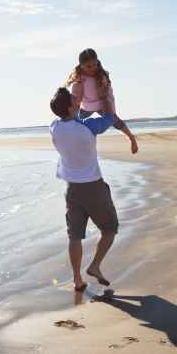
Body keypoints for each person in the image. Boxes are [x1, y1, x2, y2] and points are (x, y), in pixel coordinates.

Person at [49, 87, 119, 292]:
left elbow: (67, 115)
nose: (76, 98)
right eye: (73, 98)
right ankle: (95, 265)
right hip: (93, 187)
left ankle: (77, 279)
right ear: (70, 107)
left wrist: (73, 101)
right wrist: (106, 96)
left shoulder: (54, 127)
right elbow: (110, 116)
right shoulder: (89, 127)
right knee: (110, 229)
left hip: (72, 190)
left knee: (75, 236)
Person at [65, 48, 139, 154]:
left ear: (97, 62)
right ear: (81, 66)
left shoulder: (101, 76)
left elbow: (107, 96)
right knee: (76, 123)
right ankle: (74, 142)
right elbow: (76, 101)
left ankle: (131, 138)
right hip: (86, 106)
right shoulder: (79, 80)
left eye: (94, 65)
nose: (92, 68)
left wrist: (110, 110)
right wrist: (72, 114)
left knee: (115, 120)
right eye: (88, 66)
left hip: (102, 103)